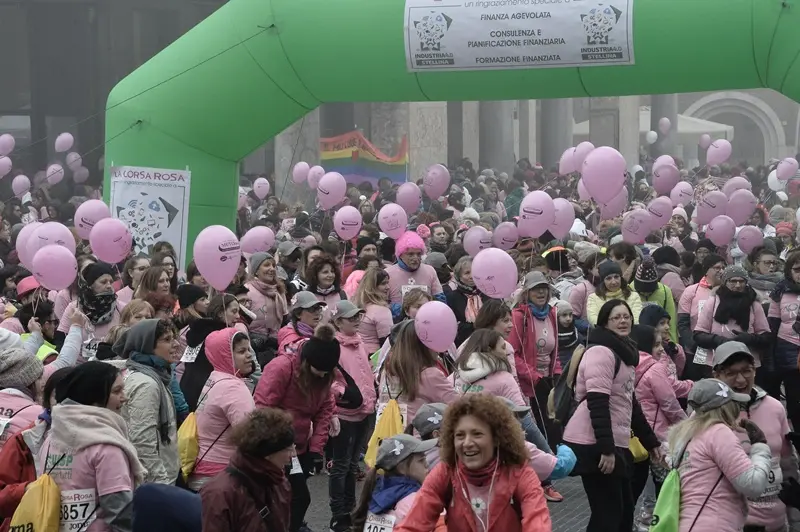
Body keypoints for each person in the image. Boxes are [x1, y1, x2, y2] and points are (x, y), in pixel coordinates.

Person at [562, 299, 661, 532]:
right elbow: (598, 403)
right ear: (605, 323)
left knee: (625, 511)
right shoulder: (601, 352)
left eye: (626, 316)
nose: (623, 320)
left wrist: (651, 442)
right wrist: (606, 449)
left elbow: (630, 402)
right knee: (608, 515)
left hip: (614, 441)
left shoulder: (624, 355)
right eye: (616, 317)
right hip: (593, 442)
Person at [395, 394, 552, 532]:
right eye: (460, 435)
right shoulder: (445, 472)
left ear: (497, 438)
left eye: (477, 434)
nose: (467, 443)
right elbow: (414, 523)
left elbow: (537, 522)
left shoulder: (519, 473)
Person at [41, 361, 146, 532]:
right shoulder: (107, 447)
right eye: (117, 391)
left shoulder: (51, 437)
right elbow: (120, 513)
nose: (124, 397)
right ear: (94, 398)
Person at [254, 324, 340, 532]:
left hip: (299, 448)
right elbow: (263, 408)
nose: (322, 375)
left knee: (297, 499)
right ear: (308, 362)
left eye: (327, 372)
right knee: (292, 498)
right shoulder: (282, 367)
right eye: (319, 370)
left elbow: (325, 410)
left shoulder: (324, 376)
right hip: (275, 448)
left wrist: (316, 450)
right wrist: (279, 443)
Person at [711, 341, 799, 532]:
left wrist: (795, 522)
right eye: (731, 373)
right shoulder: (707, 416)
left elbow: (788, 467)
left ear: (755, 370)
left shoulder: (775, 407)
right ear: (716, 376)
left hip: (777, 524)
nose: (741, 380)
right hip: (734, 526)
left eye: (747, 371)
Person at [668, 378, 772, 532]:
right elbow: (753, 485)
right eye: (733, 403)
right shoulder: (718, 433)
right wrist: (760, 446)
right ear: (724, 407)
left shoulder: (687, 437)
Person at [200, 408, 293, 532]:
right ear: (268, 453)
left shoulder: (280, 483)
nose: (293, 454)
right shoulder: (220, 494)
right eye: (288, 449)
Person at [328, 301, 376, 532]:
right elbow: (327, 381)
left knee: (351, 465)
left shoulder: (361, 342)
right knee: (341, 465)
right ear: (338, 321)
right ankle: (339, 513)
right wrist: (343, 393)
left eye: (358, 316)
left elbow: (366, 371)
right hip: (345, 413)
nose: (356, 321)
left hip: (364, 412)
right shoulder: (332, 346)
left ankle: (351, 508)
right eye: (351, 318)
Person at [187, 328, 256, 491]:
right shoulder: (233, 387)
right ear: (225, 354)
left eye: (249, 349)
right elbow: (251, 436)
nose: (249, 355)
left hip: (201, 466)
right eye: (241, 351)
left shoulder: (215, 376)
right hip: (221, 473)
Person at [119, 319, 181, 484]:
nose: (176, 344)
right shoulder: (147, 384)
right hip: (155, 483)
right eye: (167, 340)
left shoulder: (154, 375)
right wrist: (162, 486)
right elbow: (142, 443)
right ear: (147, 345)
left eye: (174, 338)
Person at [379, 321, 459, 429]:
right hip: (418, 441)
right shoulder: (430, 375)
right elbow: (458, 407)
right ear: (425, 345)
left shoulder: (388, 371)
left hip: (388, 439)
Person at [693, 265, 770, 376]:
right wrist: (720, 341)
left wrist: (750, 339)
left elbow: (766, 337)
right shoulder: (713, 301)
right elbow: (698, 335)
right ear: (725, 282)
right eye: (733, 281)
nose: (738, 285)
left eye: (741, 281)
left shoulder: (754, 304)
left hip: (747, 363)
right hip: (718, 362)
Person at [350, 435, 435, 530]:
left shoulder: (377, 489)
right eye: (421, 460)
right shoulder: (416, 501)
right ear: (401, 468)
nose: (427, 464)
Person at [56, 262, 125, 358]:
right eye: (103, 282)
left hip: (113, 364)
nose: (109, 286)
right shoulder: (74, 308)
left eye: (111, 282)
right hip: (79, 366)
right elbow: (61, 338)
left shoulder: (121, 308)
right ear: (90, 284)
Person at [679, 253, 726, 381]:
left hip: (721, 351)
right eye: (717, 268)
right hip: (696, 351)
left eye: (723, 267)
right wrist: (692, 344)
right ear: (707, 270)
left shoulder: (728, 291)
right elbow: (682, 323)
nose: (721, 271)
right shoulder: (691, 291)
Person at [385, 232, 444, 318]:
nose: (415, 258)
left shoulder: (429, 270)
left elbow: (440, 300)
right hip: (398, 325)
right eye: (410, 254)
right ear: (400, 255)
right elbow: (382, 302)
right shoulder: (388, 273)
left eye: (418, 254)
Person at [632, 258, 678, 343]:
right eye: (642, 291)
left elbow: (671, 322)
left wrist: (673, 344)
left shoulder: (664, 291)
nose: (646, 294)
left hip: (661, 340)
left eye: (650, 291)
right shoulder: (629, 291)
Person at [245, 252, 288, 338]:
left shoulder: (279, 290)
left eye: (273, 265)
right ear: (256, 271)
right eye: (267, 265)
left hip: (275, 341)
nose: (272, 269)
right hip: (253, 341)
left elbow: (285, 318)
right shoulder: (246, 290)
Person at [587, 261, 643, 325]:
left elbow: (636, 319)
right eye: (608, 278)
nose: (613, 282)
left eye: (616, 277)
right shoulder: (593, 298)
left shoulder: (633, 296)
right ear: (603, 281)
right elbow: (594, 319)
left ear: (621, 278)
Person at [447, 256, 487, 346]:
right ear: (459, 277)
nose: (472, 276)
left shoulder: (487, 294)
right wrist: (475, 325)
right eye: (467, 273)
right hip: (464, 344)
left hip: (488, 341)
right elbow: (453, 325)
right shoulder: (453, 297)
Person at [354, 268, 393, 355]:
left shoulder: (356, 304)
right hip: (374, 356)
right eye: (383, 284)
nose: (388, 287)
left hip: (357, 353)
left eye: (388, 283)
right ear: (372, 287)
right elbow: (386, 343)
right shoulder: (382, 311)